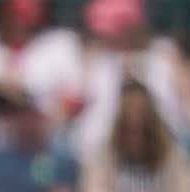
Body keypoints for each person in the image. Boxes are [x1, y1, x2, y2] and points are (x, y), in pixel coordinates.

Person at [71, 0, 190, 163]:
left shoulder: (165, 54)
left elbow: (185, 104)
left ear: (133, 28)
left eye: (113, 31)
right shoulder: (97, 60)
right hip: (97, 157)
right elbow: (76, 105)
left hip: (163, 155)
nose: (105, 37)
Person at [81, 80, 190, 192]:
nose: (135, 120)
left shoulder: (172, 155)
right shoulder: (104, 156)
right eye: (130, 127)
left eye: (141, 113)